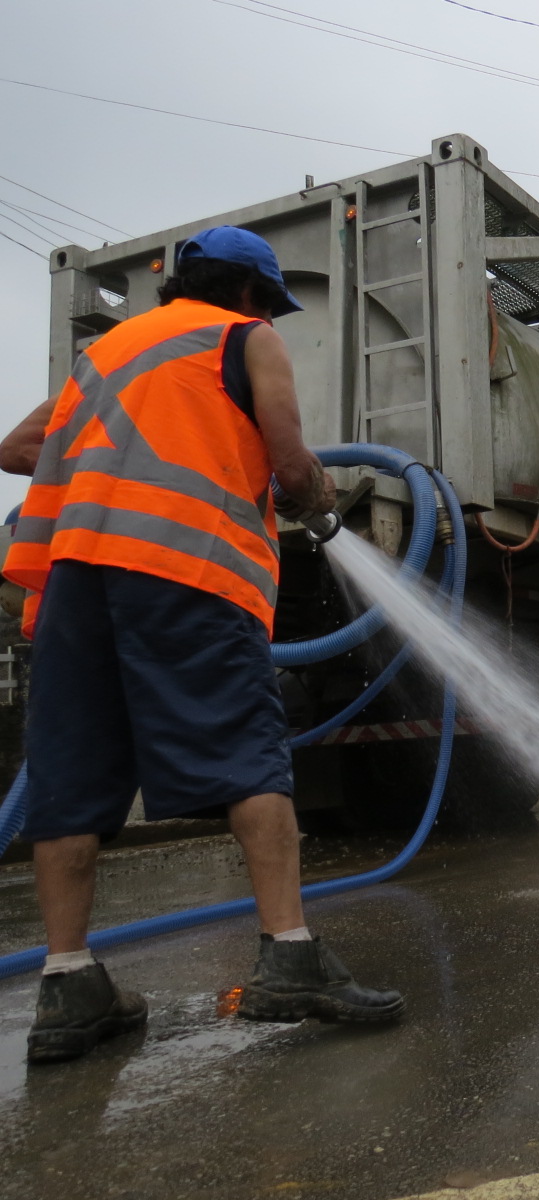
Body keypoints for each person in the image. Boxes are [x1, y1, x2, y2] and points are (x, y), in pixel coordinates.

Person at [1, 226, 403, 1065]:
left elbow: (17, 449)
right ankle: (289, 957)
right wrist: (320, 507)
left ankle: (68, 986)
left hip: (76, 581)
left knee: (69, 775)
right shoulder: (246, 338)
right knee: (249, 756)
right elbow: (293, 469)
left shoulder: (109, 352)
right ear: (255, 294)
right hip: (187, 571)